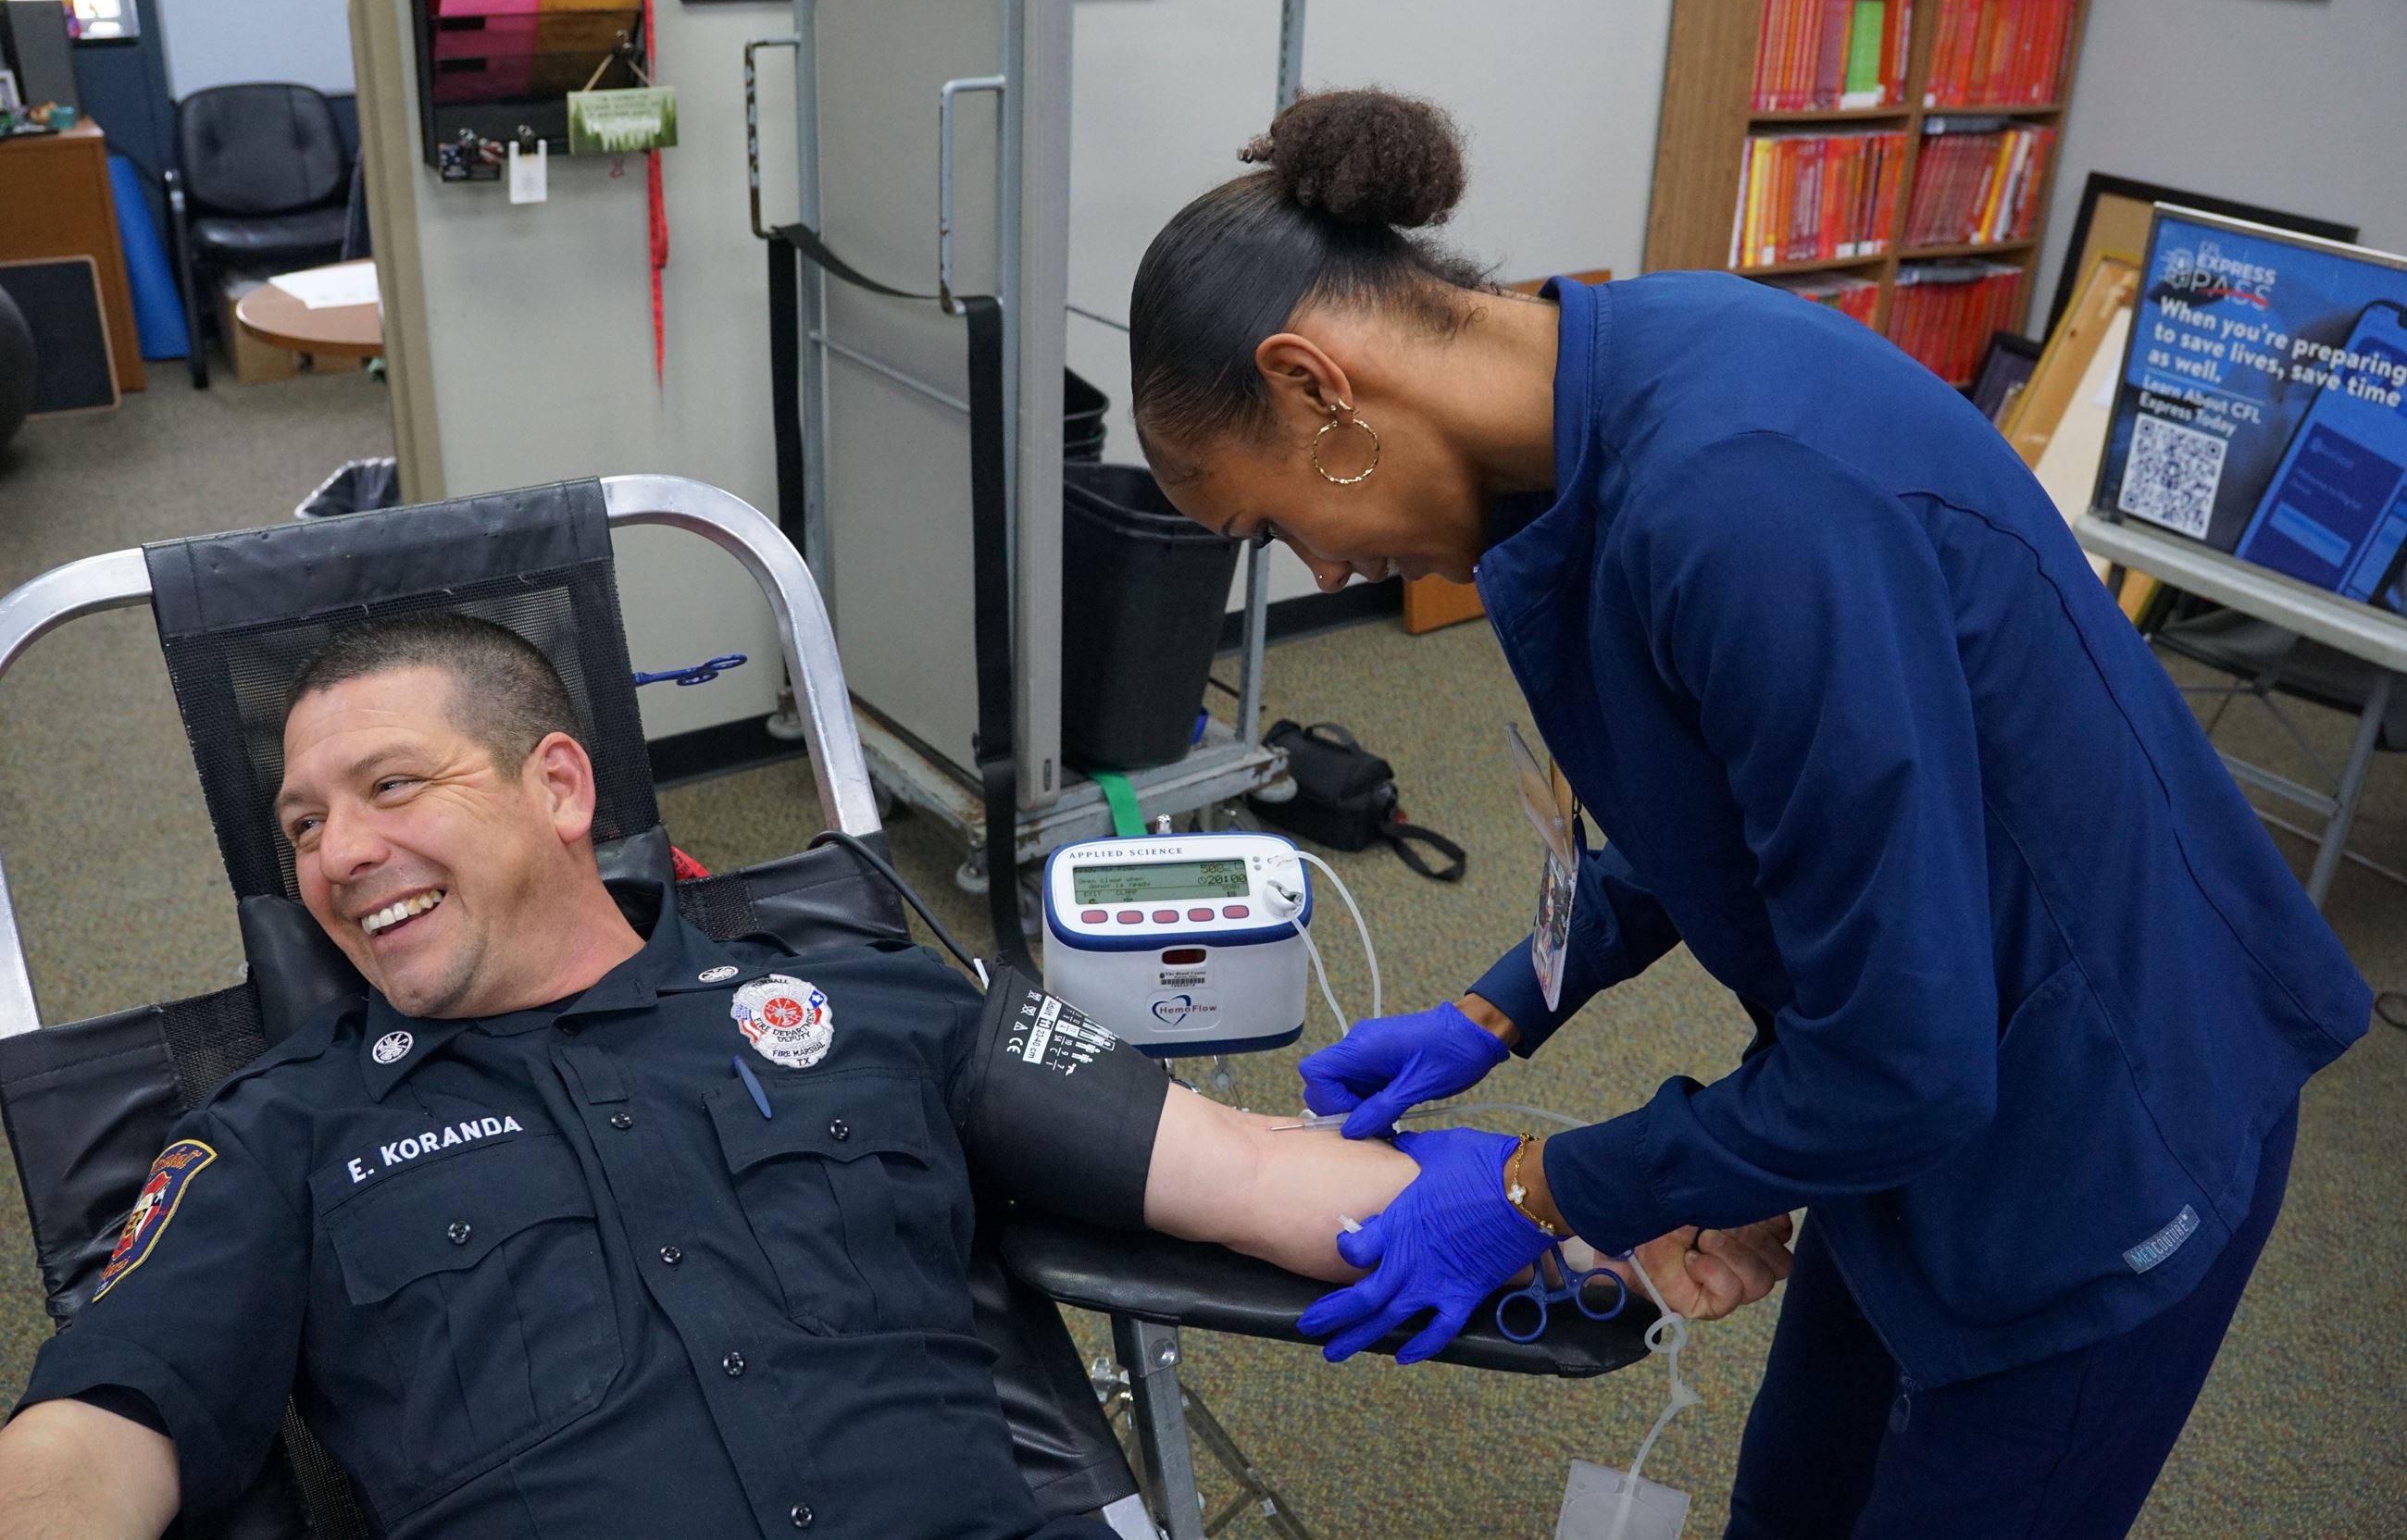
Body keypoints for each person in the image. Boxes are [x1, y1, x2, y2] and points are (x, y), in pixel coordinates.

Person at [1123, 88, 2371, 1537]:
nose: (1321, 572)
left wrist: (1534, 1187)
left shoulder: (1738, 497)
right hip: (1916, 1079)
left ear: (1315, 386)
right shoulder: (1594, 402)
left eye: (1269, 524)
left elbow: (1908, 1059)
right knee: (1792, 1500)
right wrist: (1503, 1004)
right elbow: (1729, 796)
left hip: (2104, 1128)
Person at [0, 612, 1437, 1540]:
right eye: (302, 822)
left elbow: (1247, 1170)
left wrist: (1566, 1202)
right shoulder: (283, 1127)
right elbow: (94, 1431)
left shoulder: (870, 1005)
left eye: (390, 787)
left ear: (560, 788)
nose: (334, 855)